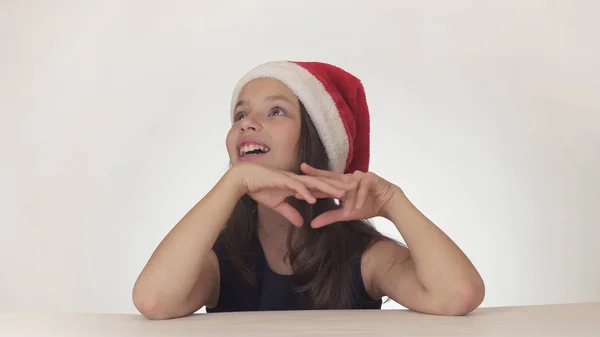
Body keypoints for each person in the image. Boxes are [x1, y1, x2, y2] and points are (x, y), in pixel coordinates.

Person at [132, 61, 485, 319]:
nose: (248, 123)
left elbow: (457, 296)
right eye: (240, 115)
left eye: (276, 111)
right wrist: (231, 184)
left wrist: (393, 202)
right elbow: (153, 301)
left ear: (315, 142)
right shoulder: (221, 260)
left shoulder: (364, 258)